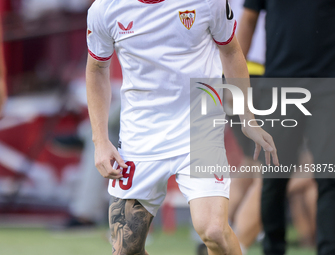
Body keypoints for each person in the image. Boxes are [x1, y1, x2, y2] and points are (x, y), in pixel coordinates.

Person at [85, 0, 279, 254]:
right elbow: (97, 68)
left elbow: (231, 51)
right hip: (140, 136)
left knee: (214, 231)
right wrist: (100, 141)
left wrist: (248, 118)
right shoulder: (105, 8)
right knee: (126, 248)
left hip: (200, 128)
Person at [240, 0, 335, 254]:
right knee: (274, 176)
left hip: (330, 86)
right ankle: (273, 249)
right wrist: (233, 84)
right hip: (280, 85)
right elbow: (248, 20)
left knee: (330, 176)